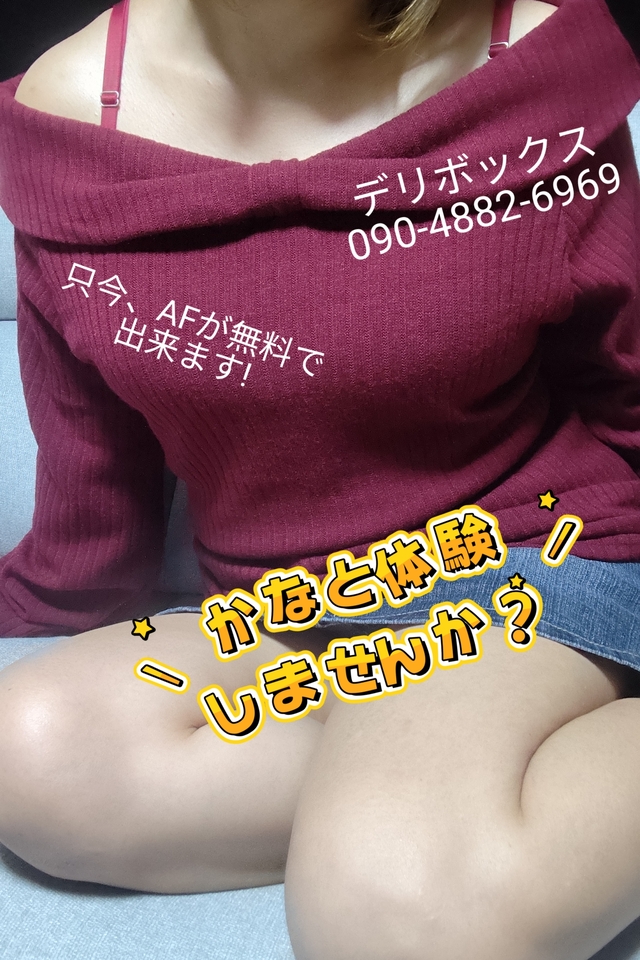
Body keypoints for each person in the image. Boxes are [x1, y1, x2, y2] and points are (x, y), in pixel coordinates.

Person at [0, 0, 640, 957]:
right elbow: (93, 464)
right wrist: (47, 598)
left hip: (523, 556)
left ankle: (411, 810)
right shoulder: (69, 113)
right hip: (290, 605)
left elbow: (628, 378)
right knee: (39, 752)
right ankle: (412, 787)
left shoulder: (527, 62)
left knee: (383, 919)